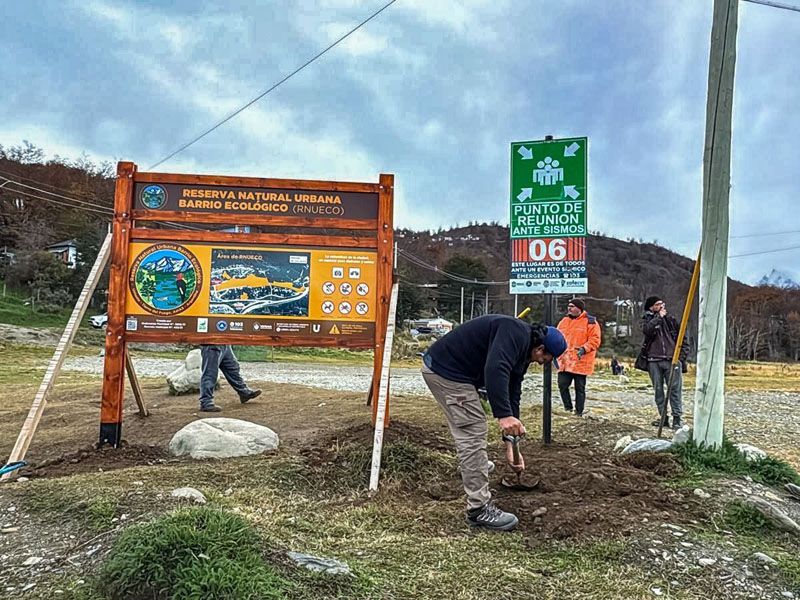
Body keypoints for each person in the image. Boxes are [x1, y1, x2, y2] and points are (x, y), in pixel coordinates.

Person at [421, 314, 567, 532]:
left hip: (456, 372)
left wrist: (511, 444)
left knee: (472, 425)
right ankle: (479, 510)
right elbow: (495, 369)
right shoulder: (514, 333)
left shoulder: (522, 349)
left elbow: (512, 390)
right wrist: (503, 416)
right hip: (446, 371)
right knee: (473, 428)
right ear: (540, 349)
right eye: (546, 359)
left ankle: (475, 465)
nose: (543, 363)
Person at [641, 296, 689, 430]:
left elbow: (682, 337)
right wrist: (659, 318)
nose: (662, 306)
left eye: (662, 303)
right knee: (658, 390)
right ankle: (663, 418)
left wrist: (681, 357)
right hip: (653, 360)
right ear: (651, 307)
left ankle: (677, 419)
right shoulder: (647, 320)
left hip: (672, 360)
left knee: (675, 390)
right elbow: (647, 331)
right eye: (658, 304)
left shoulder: (671, 320)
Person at [556, 298, 601, 417]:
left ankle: (579, 412)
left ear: (579, 308)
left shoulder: (591, 322)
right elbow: (557, 337)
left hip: (581, 361)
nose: (569, 308)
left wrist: (584, 348)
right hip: (565, 361)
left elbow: (595, 340)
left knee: (579, 388)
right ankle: (568, 408)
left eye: (572, 306)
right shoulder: (564, 321)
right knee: (562, 385)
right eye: (568, 306)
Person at [199, 344, 262, 412]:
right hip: (211, 344)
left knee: (233, 368)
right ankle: (206, 402)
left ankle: (244, 393)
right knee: (210, 373)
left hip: (225, 343)